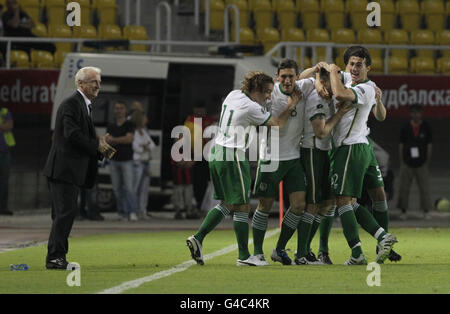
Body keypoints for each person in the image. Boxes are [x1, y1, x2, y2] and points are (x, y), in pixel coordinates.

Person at [186, 71, 299, 266]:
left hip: (216, 152)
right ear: (257, 89)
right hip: (233, 155)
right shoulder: (251, 107)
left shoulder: (233, 95)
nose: (269, 96)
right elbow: (277, 124)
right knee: (243, 205)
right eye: (267, 92)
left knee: (227, 203)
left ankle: (198, 237)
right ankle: (244, 256)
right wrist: (292, 104)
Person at [328, 46, 398, 265]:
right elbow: (381, 115)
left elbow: (339, 93)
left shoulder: (365, 88)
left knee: (343, 200)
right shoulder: (356, 80)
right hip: (363, 146)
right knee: (378, 195)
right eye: (351, 64)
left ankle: (364, 250)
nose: (354, 68)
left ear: (368, 67)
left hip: (350, 147)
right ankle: (382, 242)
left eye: (359, 64)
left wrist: (331, 70)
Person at [43, 66, 115, 270]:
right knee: (65, 213)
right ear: (80, 83)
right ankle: (55, 257)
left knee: (63, 213)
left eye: (99, 81)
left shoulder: (82, 105)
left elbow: (78, 136)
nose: (98, 85)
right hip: (64, 169)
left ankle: (56, 256)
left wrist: (100, 148)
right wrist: (96, 145)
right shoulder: (71, 104)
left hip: (68, 170)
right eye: (94, 81)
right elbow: (72, 134)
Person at [295, 67, 352, 265]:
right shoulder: (316, 98)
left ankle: (309, 249)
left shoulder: (327, 96)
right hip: (312, 150)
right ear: (323, 81)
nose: (335, 87)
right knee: (312, 203)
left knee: (327, 203)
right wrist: (340, 114)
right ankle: (301, 253)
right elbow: (320, 132)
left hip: (325, 151)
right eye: (330, 82)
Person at [397, 104, 433, 219]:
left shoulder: (426, 127)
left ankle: (426, 211)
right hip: (407, 162)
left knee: (424, 188)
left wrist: (427, 161)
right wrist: (402, 161)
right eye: (413, 112)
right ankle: (403, 211)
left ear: (421, 114)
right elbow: (401, 145)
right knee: (404, 187)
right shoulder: (405, 127)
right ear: (410, 114)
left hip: (422, 163)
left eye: (418, 112)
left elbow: (429, 145)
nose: (416, 115)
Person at [106, 101, 138, 221]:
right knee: (117, 188)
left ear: (125, 110)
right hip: (113, 160)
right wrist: (121, 139)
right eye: (116, 108)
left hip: (127, 160)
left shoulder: (129, 124)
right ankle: (122, 212)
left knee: (129, 187)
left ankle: (132, 211)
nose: (118, 110)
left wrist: (115, 139)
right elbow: (107, 140)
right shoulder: (111, 125)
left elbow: (129, 139)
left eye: (121, 108)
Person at [184, 103, 215, 218]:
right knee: (197, 182)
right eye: (198, 109)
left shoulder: (209, 121)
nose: (200, 112)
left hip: (206, 155)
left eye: (202, 109)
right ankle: (198, 205)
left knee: (208, 182)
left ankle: (204, 206)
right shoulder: (190, 121)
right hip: (195, 154)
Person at [131, 110, 156, 220]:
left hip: (146, 162)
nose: (147, 120)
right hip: (138, 163)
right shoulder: (134, 132)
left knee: (144, 189)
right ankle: (134, 211)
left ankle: (142, 210)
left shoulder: (144, 131)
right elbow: (135, 147)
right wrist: (144, 147)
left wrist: (144, 146)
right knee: (135, 188)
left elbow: (152, 145)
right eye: (145, 118)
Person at [0, 104, 15, 216]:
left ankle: (3, 207)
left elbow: (9, 125)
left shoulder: (4, 111)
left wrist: (4, 126)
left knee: (4, 181)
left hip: (4, 151)